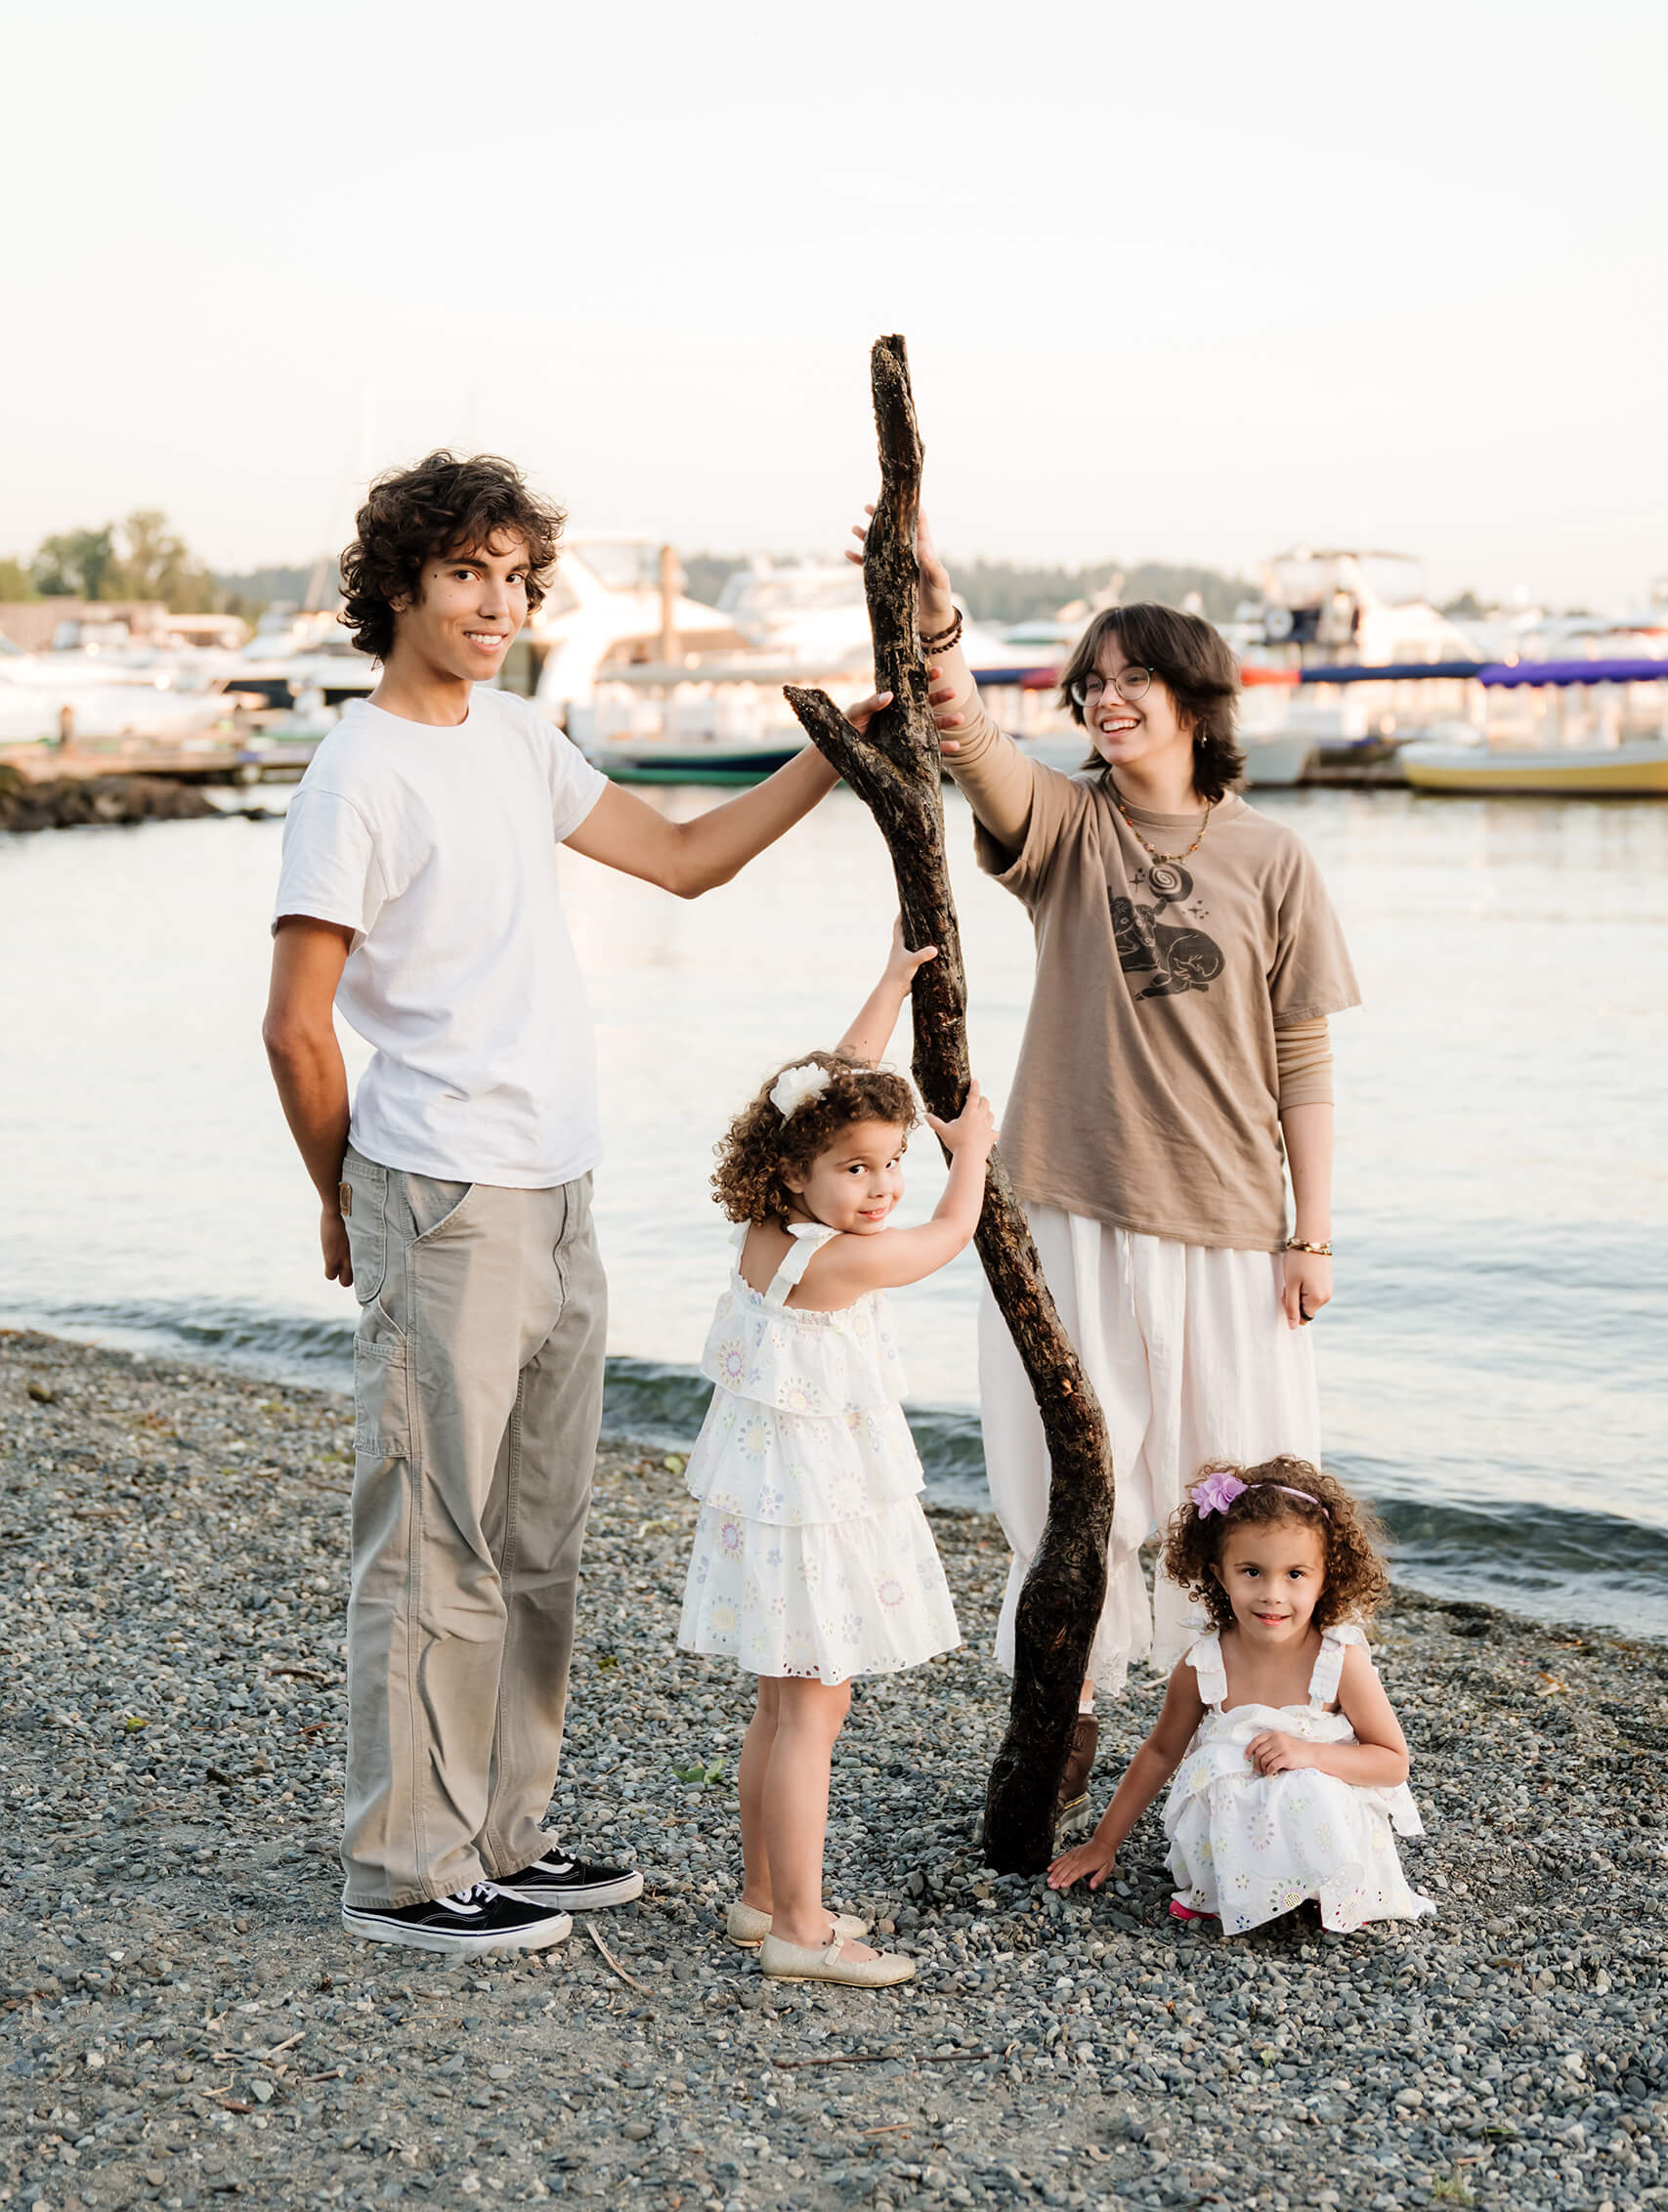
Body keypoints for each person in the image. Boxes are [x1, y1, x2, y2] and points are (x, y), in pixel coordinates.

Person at [264, 451, 895, 1958]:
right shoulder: (354, 774)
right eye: (469, 574)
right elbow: (297, 1025)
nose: (498, 604)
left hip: (560, 1187)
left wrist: (831, 757)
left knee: (535, 1538)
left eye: (516, 578)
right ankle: (408, 1872)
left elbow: (679, 862)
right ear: (400, 586)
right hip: (443, 1188)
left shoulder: (518, 739)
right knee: (434, 1540)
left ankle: (502, 1836)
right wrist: (346, 1200)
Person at [858, 505, 1361, 1827]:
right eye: (1088, 681)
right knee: (1063, 1488)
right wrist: (933, 607)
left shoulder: (1272, 857)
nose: (1101, 697)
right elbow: (962, 735)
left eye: (1128, 677)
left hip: (1229, 1222)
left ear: (1195, 697)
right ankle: (1063, 1722)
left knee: (1246, 1499)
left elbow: (1299, 1061)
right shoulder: (1068, 834)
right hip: (1066, 1210)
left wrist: (1312, 1235)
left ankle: (1261, 1754)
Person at [678, 921, 995, 1988]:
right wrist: (974, 1154)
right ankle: (802, 1931)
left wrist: (893, 983)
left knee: (784, 1700)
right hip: (809, 1502)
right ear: (796, 1167)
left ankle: (762, 1893)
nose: (882, 1185)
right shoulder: (843, 1264)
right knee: (814, 1702)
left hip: (771, 1495)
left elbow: (839, 1078)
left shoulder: (769, 1231)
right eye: (856, 1168)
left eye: (895, 1163)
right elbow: (948, 1238)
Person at [1048, 1457, 1433, 1936]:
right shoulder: (1203, 1663)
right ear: (1219, 1573)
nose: (1272, 1594)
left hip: (1323, 1824)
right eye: (1252, 1571)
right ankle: (1220, 1887)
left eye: (1295, 1574)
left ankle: (1316, 1890)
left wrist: (1309, 1753)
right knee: (1221, 1768)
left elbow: (1392, 1762)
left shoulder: (1339, 1660)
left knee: (1301, 1781)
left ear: (1326, 1577)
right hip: (1230, 1828)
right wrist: (1104, 1843)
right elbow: (1161, 1752)